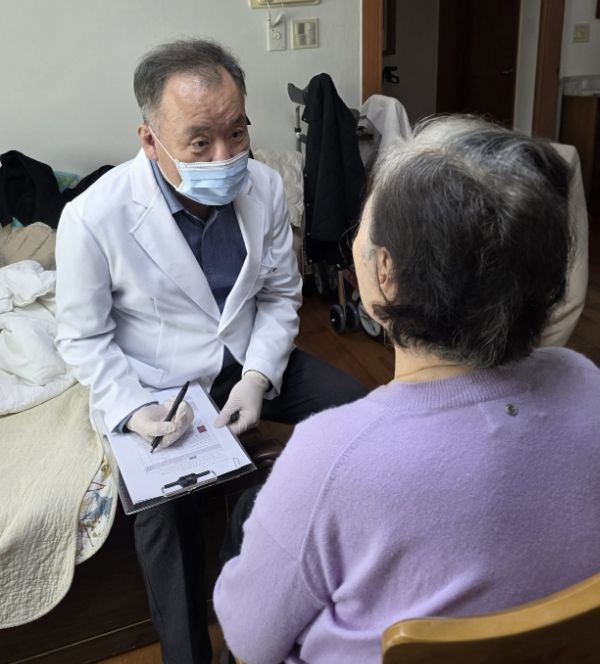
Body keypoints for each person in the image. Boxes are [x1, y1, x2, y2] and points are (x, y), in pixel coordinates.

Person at [213, 116, 600, 664]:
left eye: (364, 222)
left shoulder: (330, 457)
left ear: (385, 274)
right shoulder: (584, 380)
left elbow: (251, 642)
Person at [54, 39, 366, 664]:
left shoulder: (265, 187)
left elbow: (280, 296)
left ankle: (277, 567)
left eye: (237, 132)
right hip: (158, 388)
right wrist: (131, 409)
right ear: (150, 140)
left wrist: (258, 376)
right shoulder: (92, 217)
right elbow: (83, 337)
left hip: (247, 361)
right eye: (200, 142)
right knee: (163, 516)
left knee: (362, 419)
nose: (226, 157)